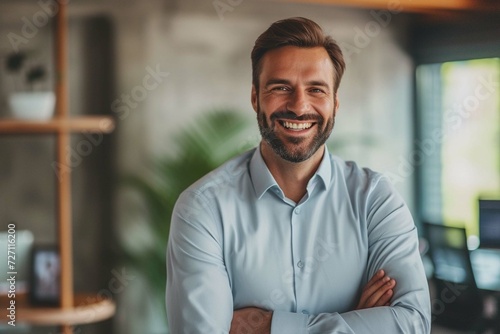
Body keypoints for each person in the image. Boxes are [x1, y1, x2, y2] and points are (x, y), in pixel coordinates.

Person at [166, 17, 431, 333]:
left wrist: (270, 327)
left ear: (334, 102)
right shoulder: (202, 208)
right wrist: (353, 321)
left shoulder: (376, 199)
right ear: (255, 97)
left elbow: (412, 323)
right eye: (281, 87)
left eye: (316, 89)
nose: (299, 105)